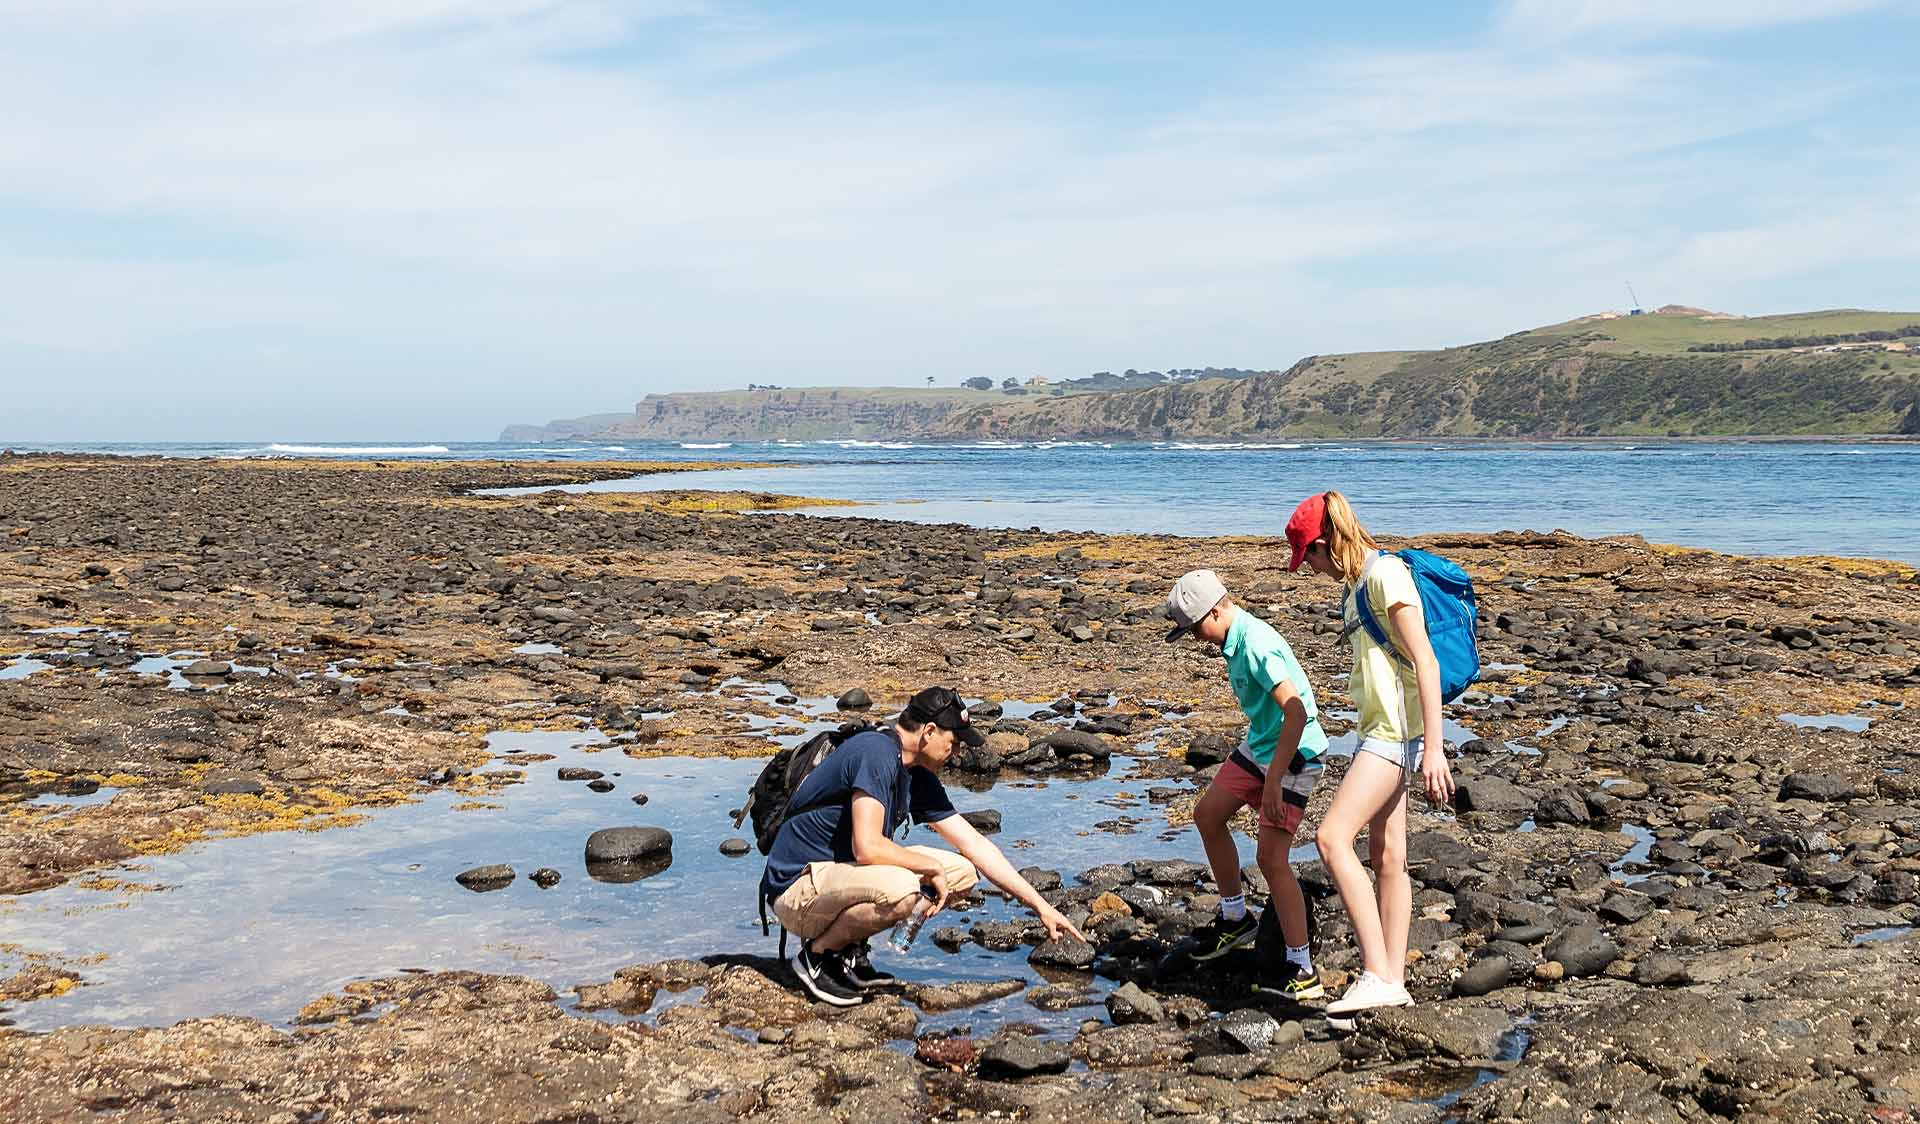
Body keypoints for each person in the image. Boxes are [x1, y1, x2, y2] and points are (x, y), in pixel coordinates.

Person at [761, 685, 1087, 1006]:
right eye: (954, 742)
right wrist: (928, 868)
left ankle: (849, 948)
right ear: (929, 731)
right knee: (906, 887)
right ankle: (818, 957)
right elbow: (867, 847)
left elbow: (974, 844)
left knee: (961, 872)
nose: (957, 752)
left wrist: (1040, 905)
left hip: (838, 877)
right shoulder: (875, 753)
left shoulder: (916, 774)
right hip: (796, 887)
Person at [1286, 491, 1457, 1015]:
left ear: (1325, 543)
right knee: (1388, 857)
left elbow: (1425, 661)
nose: (1310, 569)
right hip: (1382, 732)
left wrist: (1435, 748)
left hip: (1393, 737)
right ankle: (1395, 983)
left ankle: (1377, 973)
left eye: (1309, 558)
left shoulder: (1386, 576)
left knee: (1331, 838)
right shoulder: (1356, 584)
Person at [1165, 569, 1332, 999]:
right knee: (1207, 815)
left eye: (1196, 627)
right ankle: (1236, 917)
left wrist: (1273, 784)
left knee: (1271, 858)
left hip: (1296, 754)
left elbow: (1296, 714)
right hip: (1261, 745)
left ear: (1217, 609)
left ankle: (1301, 968)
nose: (1197, 639)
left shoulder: (1257, 644)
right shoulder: (1230, 639)